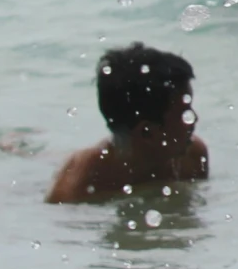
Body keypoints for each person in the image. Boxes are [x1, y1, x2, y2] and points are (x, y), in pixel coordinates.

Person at [45, 43, 209, 203]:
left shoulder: (192, 157)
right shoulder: (77, 186)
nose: (194, 119)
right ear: (146, 132)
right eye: (184, 112)